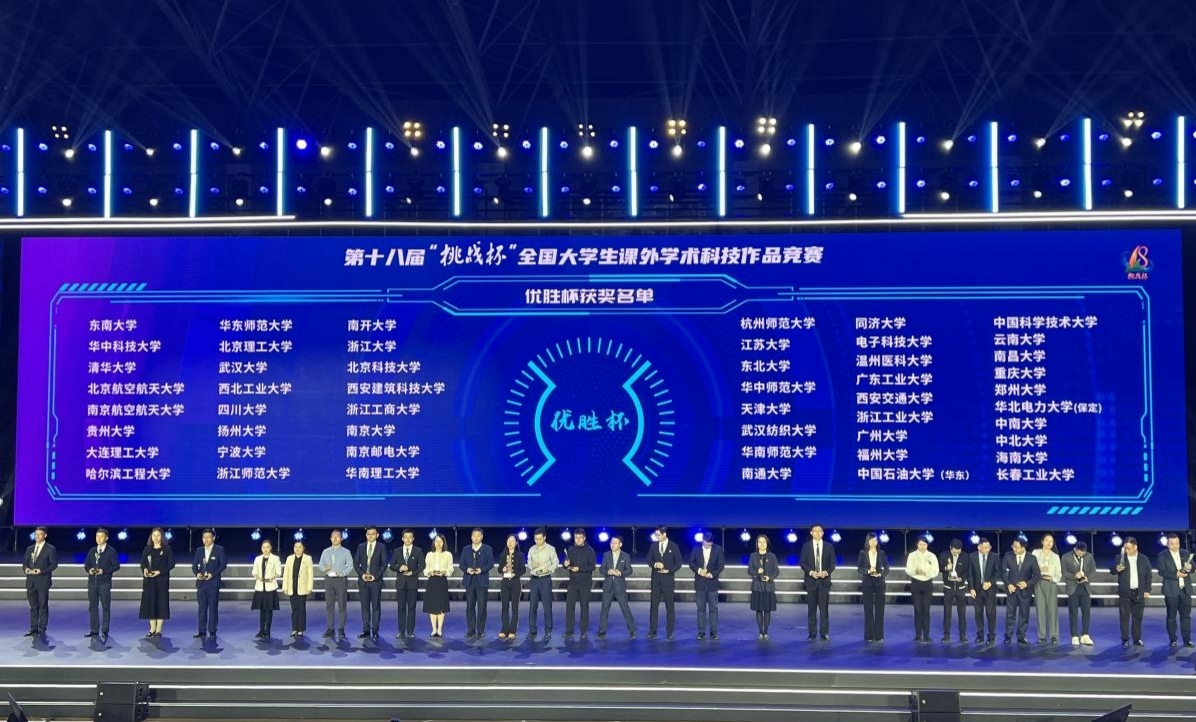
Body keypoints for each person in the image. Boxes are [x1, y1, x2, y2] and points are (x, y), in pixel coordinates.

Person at [1112, 536, 1152, 647]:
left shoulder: (1144, 559)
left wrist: (1147, 590)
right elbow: (1112, 569)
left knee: (1138, 617)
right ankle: (1125, 639)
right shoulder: (1120, 558)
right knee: (1124, 617)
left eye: (1128, 548)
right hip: (1125, 592)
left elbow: (1148, 576)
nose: (1126, 550)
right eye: (1125, 548)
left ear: (1135, 547)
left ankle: (1137, 638)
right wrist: (1116, 569)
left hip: (1139, 592)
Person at [1157, 532, 1193, 648]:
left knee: (1186, 616)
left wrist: (1190, 568)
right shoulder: (1162, 555)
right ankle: (1173, 639)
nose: (1175, 546)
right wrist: (1176, 574)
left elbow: (1193, 567)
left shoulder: (1185, 553)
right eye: (1172, 544)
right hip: (1171, 590)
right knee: (1171, 616)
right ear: (1167, 544)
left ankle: (1187, 640)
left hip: (1185, 590)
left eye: (1177, 543)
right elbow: (1162, 571)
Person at [800, 524, 836, 641]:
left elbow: (833, 564)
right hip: (811, 582)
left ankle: (824, 633)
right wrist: (811, 572)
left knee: (824, 609)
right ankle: (812, 633)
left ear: (823, 533)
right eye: (815, 531)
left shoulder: (829, 546)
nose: (817, 533)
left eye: (820, 531)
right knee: (811, 609)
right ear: (811, 533)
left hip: (824, 582)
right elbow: (802, 563)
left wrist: (825, 572)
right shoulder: (806, 546)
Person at [84, 528, 121, 643]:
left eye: (101, 537)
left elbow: (116, 566)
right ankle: (94, 630)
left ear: (106, 538)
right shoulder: (92, 551)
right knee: (92, 607)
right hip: (92, 583)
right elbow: (86, 565)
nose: (98, 539)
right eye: (97, 537)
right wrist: (89, 570)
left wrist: (104, 570)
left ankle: (105, 630)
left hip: (104, 583)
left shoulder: (111, 551)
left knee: (105, 607)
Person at [647, 526, 683, 640]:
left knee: (670, 607)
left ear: (664, 534)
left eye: (658, 535)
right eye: (655, 535)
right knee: (654, 606)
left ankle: (669, 631)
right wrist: (655, 564)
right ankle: (653, 631)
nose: (656, 537)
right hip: (656, 581)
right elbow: (648, 560)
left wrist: (669, 570)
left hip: (668, 580)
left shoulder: (674, 546)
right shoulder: (653, 546)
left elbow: (679, 563)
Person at [1002, 538, 1040, 645]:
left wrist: (1027, 584)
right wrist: (1008, 584)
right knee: (1010, 614)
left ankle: (1021, 636)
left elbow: (1037, 575)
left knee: (1024, 614)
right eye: (1013, 546)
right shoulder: (1008, 556)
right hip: (1012, 590)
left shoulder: (1032, 558)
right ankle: (1008, 636)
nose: (1014, 548)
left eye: (1016, 547)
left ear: (1023, 547)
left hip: (1025, 591)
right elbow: (1003, 572)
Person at [597, 535, 636, 638]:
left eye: (615, 543)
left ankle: (632, 630)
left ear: (620, 544)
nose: (612, 545)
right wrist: (608, 571)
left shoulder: (625, 556)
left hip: (620, 587)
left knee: (625, 608)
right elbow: (601, 569)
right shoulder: (606, 555)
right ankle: (602, 631)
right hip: (608, 586)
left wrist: (620, 573)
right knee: (604, 609)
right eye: (611, 542)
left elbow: (630, 570)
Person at [23, 526, 57, 640]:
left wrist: (41, 571)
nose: (37, 536)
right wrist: (26, 569)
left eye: (39, 534)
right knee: (33, 606)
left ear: (45, 535)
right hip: (31, 581)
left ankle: (42, 628)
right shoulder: (29, 549)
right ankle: (33, 628)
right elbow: (25, 563)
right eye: (36, 534)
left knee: (43, 605)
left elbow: (53, 565)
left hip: (43, 581)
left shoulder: (50, 549)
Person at [139, 527, 175, 638]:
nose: (155, 538)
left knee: (161, 604)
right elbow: (143, 563)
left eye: (158, 535)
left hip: (161, 581)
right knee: (150, 603)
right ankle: (152, 628)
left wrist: (160, 572)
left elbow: (171, 564)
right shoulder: (147, 550)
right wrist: (145, 569)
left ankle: (158, 629)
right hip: (149, 581)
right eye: (153, 535)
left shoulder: (167, 549)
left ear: (162, 537)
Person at [191, 529, 227, 639]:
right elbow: (194, 565)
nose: (206, 539)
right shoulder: (199, 550)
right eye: (204, 537)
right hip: (201, 584)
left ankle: (212, 631)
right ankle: (201, 631)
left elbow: (223, 565)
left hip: (213, 583)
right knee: (202, 609)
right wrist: (197, 573)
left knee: (213, 608)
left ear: (213, 538)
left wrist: (213, 574)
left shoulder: (219, 550)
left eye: (208, 537)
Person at [689, 531, 725, 640]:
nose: (706, 546)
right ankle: (701, 632)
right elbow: (691, 563)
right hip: (700, 583)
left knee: (713, 608)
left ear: (712, 543)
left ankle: (714, 632)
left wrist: (712, 574)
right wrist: (699, 570)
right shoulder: (696, 549)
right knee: (701, 608)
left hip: (712, 583)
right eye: (705, 544)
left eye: (709, 545)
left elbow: (721, 566)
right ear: (703, 540)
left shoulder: (718, 549)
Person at [389, 529, 425, 639]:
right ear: (402, 538)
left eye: (410, 537)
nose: (408, 539)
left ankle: (410, 631)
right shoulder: (397, 551)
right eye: (406, 537)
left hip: (412, 583)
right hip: (401, 583)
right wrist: (399, 568)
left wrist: (412, 572)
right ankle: (401, 631)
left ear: (413, 538)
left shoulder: (418, 551)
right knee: (401, 607)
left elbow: (422, 566)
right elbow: (392, 565)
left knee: (412, 607)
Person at [319, 529, 353, 641]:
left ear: (341, 539)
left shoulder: (346, 552)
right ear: (330, 539)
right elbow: (320, 565)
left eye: (337, 536)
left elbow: (350, 566)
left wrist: (341, 573)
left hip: (341, 580)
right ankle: (330, 628)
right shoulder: (325, 552)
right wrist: (326, 568)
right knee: (329, 605)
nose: (335, 538)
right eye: (333, 537)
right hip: (329, 579)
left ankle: (341, 629)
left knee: (342, 605)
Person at [354, 526, 387, 640]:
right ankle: (366, 630)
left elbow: (384, 564)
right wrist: (362, 574)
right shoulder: (361, 547)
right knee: (364, 607)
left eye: (373, 534)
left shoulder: (382, 547)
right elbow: (356, 563)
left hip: (375, 582)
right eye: (368, 534)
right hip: (363, 581)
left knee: (376, 606)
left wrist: (375, 576)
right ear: (366, 535)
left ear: (377, 535)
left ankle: (375, 631)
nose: (370, 536)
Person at [460, 528, 494, 638]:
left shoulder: (488, 549)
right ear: (471, 537)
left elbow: (491, 563)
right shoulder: (466, 549)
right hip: (469, 580)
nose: (476, 538)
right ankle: (471, 630)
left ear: (482, 537)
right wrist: (467, 569)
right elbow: (461, 564)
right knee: (470, 606)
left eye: (478, 535)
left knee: (482, 606)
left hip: (482, 580)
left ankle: (480, 630)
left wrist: (481, 570)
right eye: (474, 536)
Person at [563, 528, 597, 638]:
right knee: (569, 607)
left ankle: (583, 631)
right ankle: (569, 631)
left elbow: (592, 566)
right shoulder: (570, 550)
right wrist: (565, 565)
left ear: (584, 538)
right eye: (576, 537)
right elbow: (566, 564)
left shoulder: (590, 550)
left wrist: (580, 569)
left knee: (584, 606)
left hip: (585, 583)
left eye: (580, 537)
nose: (578, 539)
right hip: (572, 583)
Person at [857, 532, 890, 643]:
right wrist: (867, 571)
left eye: (875, 540)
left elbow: (887, 568)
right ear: (867, 541)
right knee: (868, 610)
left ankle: (879, 635)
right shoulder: (862, 553)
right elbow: (859, 568)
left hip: (879, 582)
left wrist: (881, 574)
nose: (873, 543)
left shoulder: (882, 553)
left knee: (880, 609)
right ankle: (869, 635)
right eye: (871, 540)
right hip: (867, 582)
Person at [526, 528, 558, 640]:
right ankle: (532, 631)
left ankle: (548, 631)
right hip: (534, 580)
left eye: (540, 539)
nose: (537, 541)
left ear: (544, 537)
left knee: (547, 606)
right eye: (536, 539)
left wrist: (547, 569)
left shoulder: (550, 549)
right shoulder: (531, 549)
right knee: (532, 606)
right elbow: (529, 563)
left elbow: (555, 563)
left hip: (545, 579)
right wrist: (532, 565)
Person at [906, 535, 939, 643]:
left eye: (924, 544)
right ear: (917, 545)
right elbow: (908, 570)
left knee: (926, 610)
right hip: (916, 583)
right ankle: (918, 635)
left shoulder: (932, 556)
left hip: (928, 584)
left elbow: (936, 571)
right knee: (917, 610)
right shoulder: (912, 555)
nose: (922, 546)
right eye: (920, 544)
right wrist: (916, 572)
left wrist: (926, 573)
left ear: (927, 545)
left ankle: (926, 635)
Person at [1061, 541, 1095, 645]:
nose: (1082, 554)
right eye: (1080, 552)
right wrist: (1074, 576)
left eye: (1084, 552)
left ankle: (1085, 635)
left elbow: (1093, 570)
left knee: (1086, 612)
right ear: (1075, 549)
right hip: (1073, 588)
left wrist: (1087, 577)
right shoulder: (1066, 557)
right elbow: (1064, 573)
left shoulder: (1089, 556)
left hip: (1085, 587)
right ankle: (1074, 635)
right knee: (1073, 613)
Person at [969, 537, 999, 645]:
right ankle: (980, 636)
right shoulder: (971, 557)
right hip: (977, 590)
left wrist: (990, 582)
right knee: (978, 614)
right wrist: (971, 588)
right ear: (979, 547)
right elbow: (970, 574)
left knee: (991, 614)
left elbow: (998, 572)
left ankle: (991, 636)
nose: (988, 549)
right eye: (985, 547)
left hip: (990, 590)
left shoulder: (994, 556)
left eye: (989, 547)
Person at [749, 534, 780, 640]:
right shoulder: (753, 556)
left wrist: (770, 577)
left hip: (768, 587)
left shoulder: (772, 556)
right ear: (757, 544)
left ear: (767, 544)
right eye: (760, 542)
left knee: (767, 610)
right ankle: (760, 632)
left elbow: (776, 571)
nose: (762, 544)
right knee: (758, 610)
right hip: (757, 587)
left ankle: (766, 632)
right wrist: (757, 572)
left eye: (764, 542)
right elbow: (749, 570)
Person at [1033, 533, 1062, 644]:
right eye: (1047, 540)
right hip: (1039, 583)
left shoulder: (1055, 556)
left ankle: (1054, 635)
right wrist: (1040, 569)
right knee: (1040, 609)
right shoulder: (1035, 553)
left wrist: (1053, 578)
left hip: (1051, 583)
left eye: (1051, 541)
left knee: (1052, 610)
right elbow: (1031, 568)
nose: (1049, 543)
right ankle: (1042, 636)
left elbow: (1059, 574)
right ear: (1042, 542)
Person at [940, 539, 970, 643]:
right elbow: (939, 568)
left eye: (959, 550)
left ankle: (962, 636)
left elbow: (967, 570)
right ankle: (946, 635)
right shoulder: (943, 555)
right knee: (947, 612)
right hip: (948, 588)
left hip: (960, 588)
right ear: (950, 548)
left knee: (962, 613)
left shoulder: (965, 556)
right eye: (955, 550)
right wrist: (946, 568)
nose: (957, 552)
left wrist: (961, 578)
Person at [423, 533, 453, 638]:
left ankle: (439, 629)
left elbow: (450, 569)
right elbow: (425, 569)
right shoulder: (429, 555)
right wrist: (429, 572)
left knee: (441, 606)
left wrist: (444, 572)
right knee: (432, 607)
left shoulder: (448, 554)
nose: (438, 543)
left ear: (443, 543)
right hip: (432, 581)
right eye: (436, 541)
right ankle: (434, 629)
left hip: (442, 581)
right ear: (434, 543)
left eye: (440, 541)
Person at [497, 534, 527, 640]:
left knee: (515, 607)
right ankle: (504, 629)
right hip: (505, 583)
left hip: (515, 583)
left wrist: (515, 574)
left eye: (512, 541)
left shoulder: (520, 555)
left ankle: (513, 630)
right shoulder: (503, 555)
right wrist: (503, 569)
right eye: (508, 541)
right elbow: (499, 569)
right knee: (504, 607)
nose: (510, 543)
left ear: (516, 543)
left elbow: (523, 569)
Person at [251, 539, 282, 639]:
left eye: (267, 547)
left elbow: (279, 572)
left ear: (271, 548)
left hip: (270, 588)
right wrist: (258, 577)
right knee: (262, 610)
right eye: (264, 547)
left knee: (269, 610)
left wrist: (272, 578)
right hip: (260, 587)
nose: (265, 549)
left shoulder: (275, 558)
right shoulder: (257, 559)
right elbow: (254, 572)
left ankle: (267, 630)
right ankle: (261, 630)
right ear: (261, 548)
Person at [283, 540, 314, 638]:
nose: (297, 549)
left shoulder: (308, 558)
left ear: (303, 548)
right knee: (294, 610)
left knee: (301, 609)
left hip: (302, 588)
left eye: (299, 547)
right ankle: (294, 629)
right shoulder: (289, 558)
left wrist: (309, 587)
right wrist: (285, 586)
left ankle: (300, 629)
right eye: (295, 547)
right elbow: (286, 574)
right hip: (292, 587)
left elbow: (310, 574)